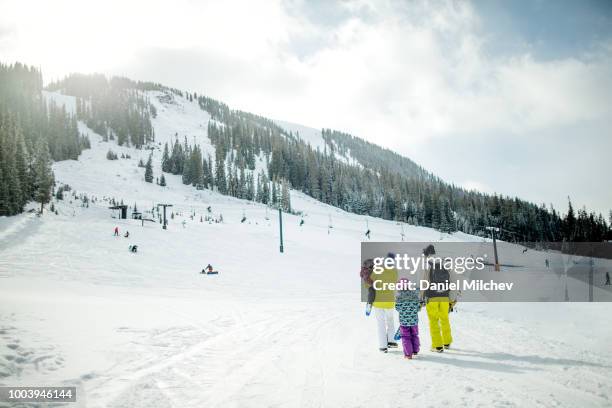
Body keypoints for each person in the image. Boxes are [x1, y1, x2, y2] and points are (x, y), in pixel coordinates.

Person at [421, 244, 458, 352]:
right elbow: (453, 281)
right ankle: (446, 343)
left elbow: (424, 282)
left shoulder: (428, 264)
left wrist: (421, 298)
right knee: (444, 319)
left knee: (433, 321)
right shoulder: (444, 263)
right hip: (445, 297)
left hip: (432, 297)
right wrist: (452, 299)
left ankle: (437, 345)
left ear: (426, 254)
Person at [371, 254, 398, 353]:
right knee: (390, 321)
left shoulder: (378, 269)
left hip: (378, 300)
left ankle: (383, 346)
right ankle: (391, 341)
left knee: (381, 324)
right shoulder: (394, 271)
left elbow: (369, 282)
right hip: (389, 300)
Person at [395, 278, 421, 359]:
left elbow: (397, 308)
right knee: (415, 335)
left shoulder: (398, 296)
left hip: (404, 321)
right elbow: (418, 307)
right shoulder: (414, 294)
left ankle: (408, 354)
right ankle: (415, 350)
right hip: (414, 320)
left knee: (405, 337)